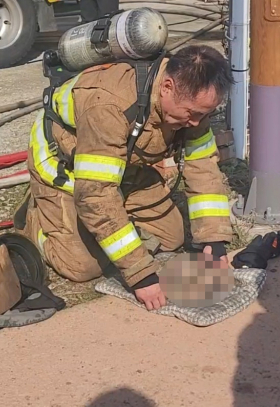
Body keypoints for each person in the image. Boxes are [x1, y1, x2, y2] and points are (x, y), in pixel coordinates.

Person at [13, 45, 235, 312]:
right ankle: (37, 219)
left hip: (121, 165)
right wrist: (140, 273)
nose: (197, 123)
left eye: (204, 114)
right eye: (192, 113)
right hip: (66, 168)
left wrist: (213, 238)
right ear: (167, 87)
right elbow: (95, 194)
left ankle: (112, 220)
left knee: (171, 237)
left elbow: (203, 167)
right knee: (82, 266)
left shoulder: (191, 105)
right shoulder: (108, 103)